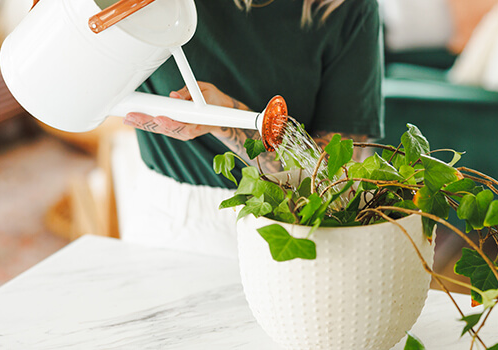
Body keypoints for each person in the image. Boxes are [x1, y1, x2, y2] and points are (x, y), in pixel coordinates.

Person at [121, 0, 384, 258]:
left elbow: (328, 176)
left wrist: (225, 117)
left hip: (289, 220)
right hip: (165, 219)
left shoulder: (349, 8)